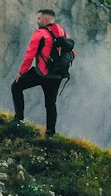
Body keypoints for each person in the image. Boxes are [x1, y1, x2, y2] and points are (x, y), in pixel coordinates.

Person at [11, 8, 69, 136]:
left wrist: (21, 73)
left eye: (39, 18)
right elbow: (71, 53)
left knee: (16, 86)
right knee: (50, 104)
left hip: (41, 73)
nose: (37, 21)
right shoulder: (64, 34)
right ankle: (50, 133)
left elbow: (29, 55)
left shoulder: (40, 33)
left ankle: (18, 119)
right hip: (57, 76)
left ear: (45, 19)